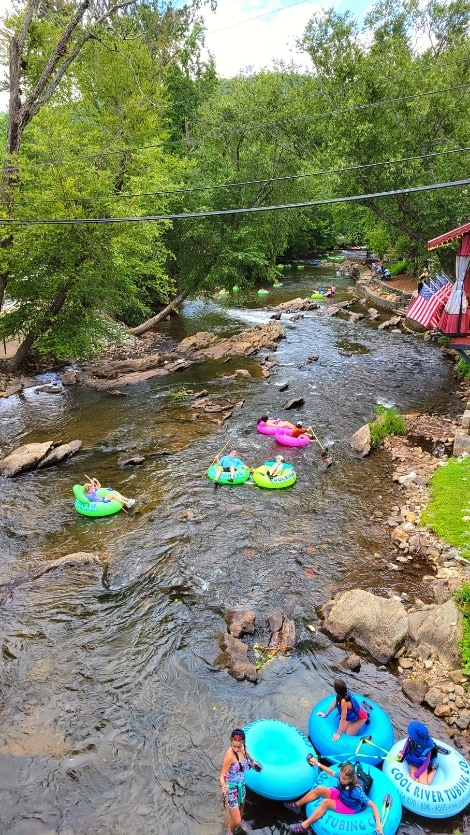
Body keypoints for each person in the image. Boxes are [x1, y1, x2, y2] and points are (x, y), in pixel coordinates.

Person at [285, 759, 382, 834]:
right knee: (319, 789)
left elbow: (373, 805)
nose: (341, 779)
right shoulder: (342, 777)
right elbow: (331, 772)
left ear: (351, 779)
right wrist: (317, 764)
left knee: (325, 803)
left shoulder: (356, 790)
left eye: (344, 779)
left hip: (349, 807)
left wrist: (378, 824)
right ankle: (297, 805)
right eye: (341, 777)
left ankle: (304, 826)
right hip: (341, 794)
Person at [219, 728, 262, 834]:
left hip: (241, 784)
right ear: (230, 742)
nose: (237, 749)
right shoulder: (229, 756)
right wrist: (223, 785)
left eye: (239, 746)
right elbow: (221, 776)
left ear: (243, 744)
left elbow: (247, 755)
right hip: (231, 788)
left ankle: (240, 823)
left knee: (241, 806)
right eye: (234, 746)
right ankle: (229, 832)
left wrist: (253, 762)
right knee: (236, 820)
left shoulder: (243, 748)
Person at [398, 721, 438, 785]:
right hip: (413, 763)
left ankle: (434, 770)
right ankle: (430, 771)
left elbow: (425, 764)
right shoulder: (412, 738)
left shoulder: (427, 749)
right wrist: (402, 753)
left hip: (422, 765)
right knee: (415, 781)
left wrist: (416, 774)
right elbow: (407, 744)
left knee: (424, 784)